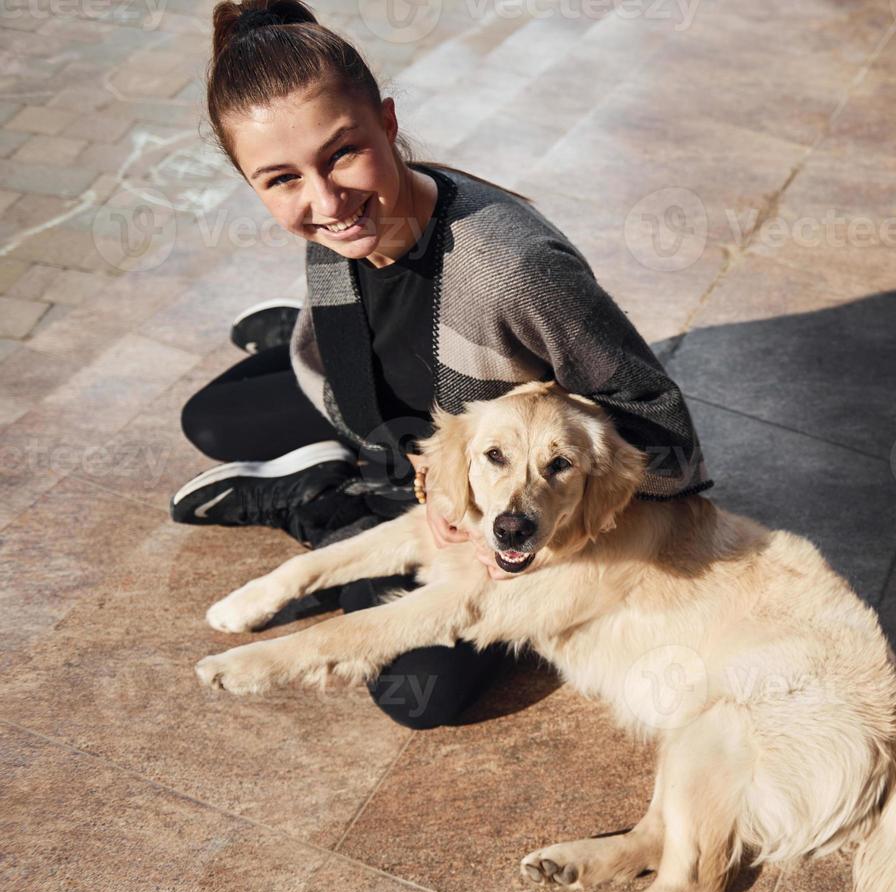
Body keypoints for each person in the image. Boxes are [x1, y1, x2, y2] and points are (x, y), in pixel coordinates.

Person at [174, 0, 712, 729]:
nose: (327, 200)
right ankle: (338, 457)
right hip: (406, 430)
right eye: (280, 180)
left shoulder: (515, 271)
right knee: (210, 420)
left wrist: (535, 503)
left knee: (418, 693)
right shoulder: (337, 223)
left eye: (342, 154)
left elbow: (667, 432)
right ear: (251, 181)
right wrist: (418, 467)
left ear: (388, 124)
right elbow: (334, 295)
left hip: (483, 456)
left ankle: (331, 494)